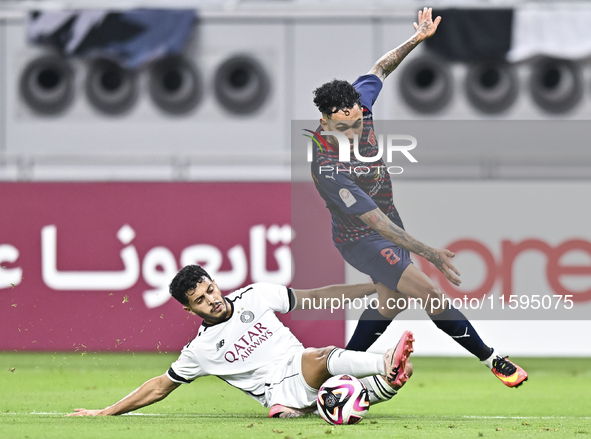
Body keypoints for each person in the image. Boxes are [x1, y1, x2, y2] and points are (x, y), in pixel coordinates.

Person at [309, 7, 527, 388]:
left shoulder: (360, 103)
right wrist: (431, 253)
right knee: (427, 290)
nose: (354, 131)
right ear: (326, 122)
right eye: (343, 127)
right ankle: (492, 358)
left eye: (358, 121)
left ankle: (336, 372)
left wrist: (417, 38)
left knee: (391, 302)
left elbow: (380, 69)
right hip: (360, 237)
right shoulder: (327, 166)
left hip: (390, 222)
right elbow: (374, 222)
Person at [67, 265, 415, 418]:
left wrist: (373, 287)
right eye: (200, 301)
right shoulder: (199, 351)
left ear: (215, 282)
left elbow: (315, 296)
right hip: (278, 386)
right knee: (321, 357)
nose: (212, 300)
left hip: (299, 374)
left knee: (379, 378)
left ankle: (389, 379)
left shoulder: (255, 295)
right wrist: (106, 411)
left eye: (210, 290)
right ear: (190, 310)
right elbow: (159, 386)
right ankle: (385, 362)